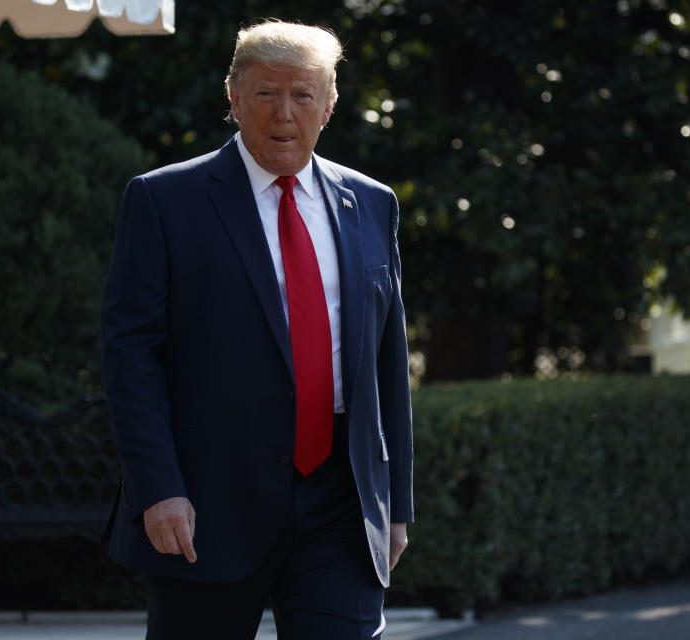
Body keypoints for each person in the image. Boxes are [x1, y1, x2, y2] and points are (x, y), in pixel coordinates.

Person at [101, 20, 413, 639]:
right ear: (234, 99)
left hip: (340, 507)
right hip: (206, 506)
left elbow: (387, 361)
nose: (285, 113)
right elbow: (130, 355)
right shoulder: (164, 201)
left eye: (303, 95)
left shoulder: (372, 203)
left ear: (329, 106)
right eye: (267, 93)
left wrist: (395, 505)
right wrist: (158, 489)